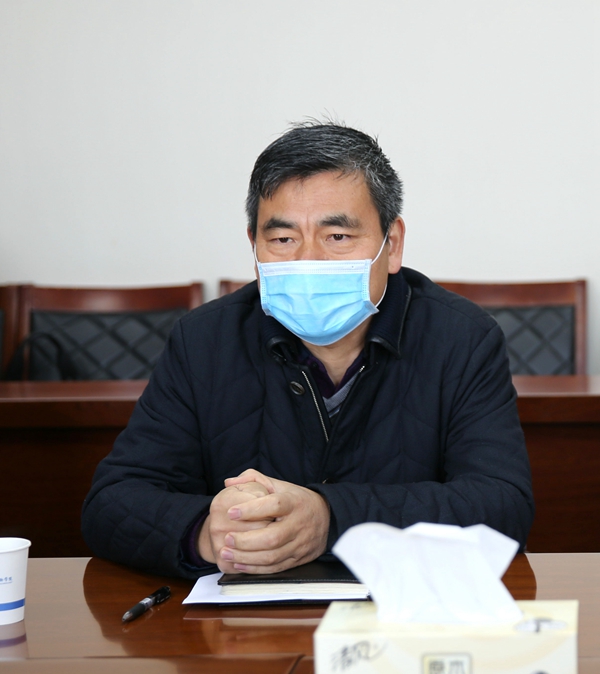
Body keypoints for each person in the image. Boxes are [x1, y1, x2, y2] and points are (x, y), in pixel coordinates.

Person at [81, 122, 534, 579]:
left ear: (392, 245)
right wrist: (207, 533)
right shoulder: (203, 340)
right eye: (282, 240)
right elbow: (111, 503)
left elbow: (502, 504)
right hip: (242, 616)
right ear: (254, 246)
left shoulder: (462, 338)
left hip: (397, 610)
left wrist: (330, 518)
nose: (308, 260)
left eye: (337, 237)